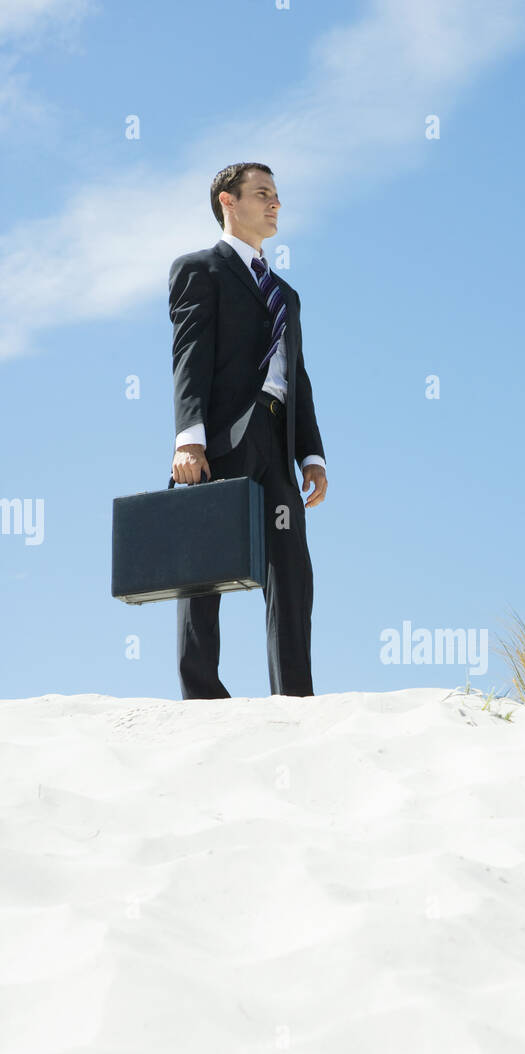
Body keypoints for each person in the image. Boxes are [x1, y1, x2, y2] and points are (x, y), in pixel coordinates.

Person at [169, 161, 328, 699]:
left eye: (278, 195)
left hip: (276, 442)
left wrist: (312, 454)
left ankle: (294, 696)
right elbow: (189, 357)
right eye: (262, 194)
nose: (275, 203)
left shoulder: (286, 293)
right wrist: (188, 437)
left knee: (291, 571)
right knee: (203, 567)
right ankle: (202, 694)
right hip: (220, 441)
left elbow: (296, 374)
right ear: (227, 202)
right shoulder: (200, 270)